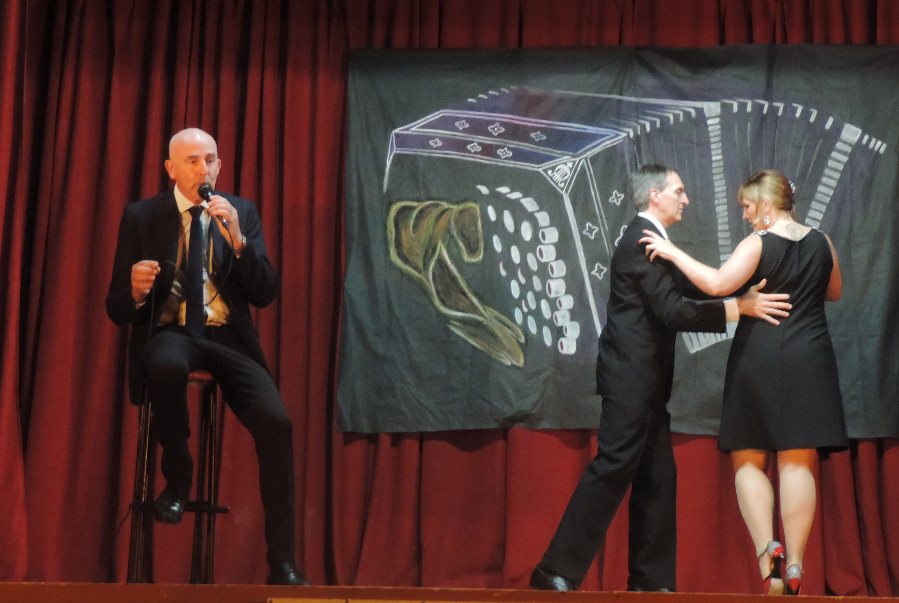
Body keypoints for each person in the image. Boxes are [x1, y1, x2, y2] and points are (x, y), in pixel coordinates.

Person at [530, 164, 792, 592]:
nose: (685, 199)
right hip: (630, 380)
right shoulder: (642, 241)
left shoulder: (655, 241)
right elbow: (672, 311)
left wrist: (736, 295)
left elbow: (684, 293)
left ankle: (650, 583)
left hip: (647, 383)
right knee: (613, 466)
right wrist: (737, 308)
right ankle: (553, 572)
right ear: (655, 196)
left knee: (658, 479)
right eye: (679, 191)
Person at [106, 127, 307, 585]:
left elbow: (265, 293)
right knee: (165, 364)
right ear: (171, 169)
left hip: (228, 336)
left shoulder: (240, 212)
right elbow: (116, 307)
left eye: (210, 160)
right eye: (193, 161)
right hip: (173, 330)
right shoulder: (142, 216)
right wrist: (135, 291)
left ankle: (282, 561)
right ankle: (178, 474)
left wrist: (238, 241)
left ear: (219, 165)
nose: (204, 169)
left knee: (277, 424)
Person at [640, 169, 848, 595]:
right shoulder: (822, 242)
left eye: (749, 207)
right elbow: (835, 291)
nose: (746, 216)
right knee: (798, 460)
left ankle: (767, 548)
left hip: (761, 356)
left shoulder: (758, 243)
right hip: (811, 357)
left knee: (749, 459)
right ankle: (795, 563)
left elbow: (718, 284)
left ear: (767, 204)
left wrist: (672, 252)